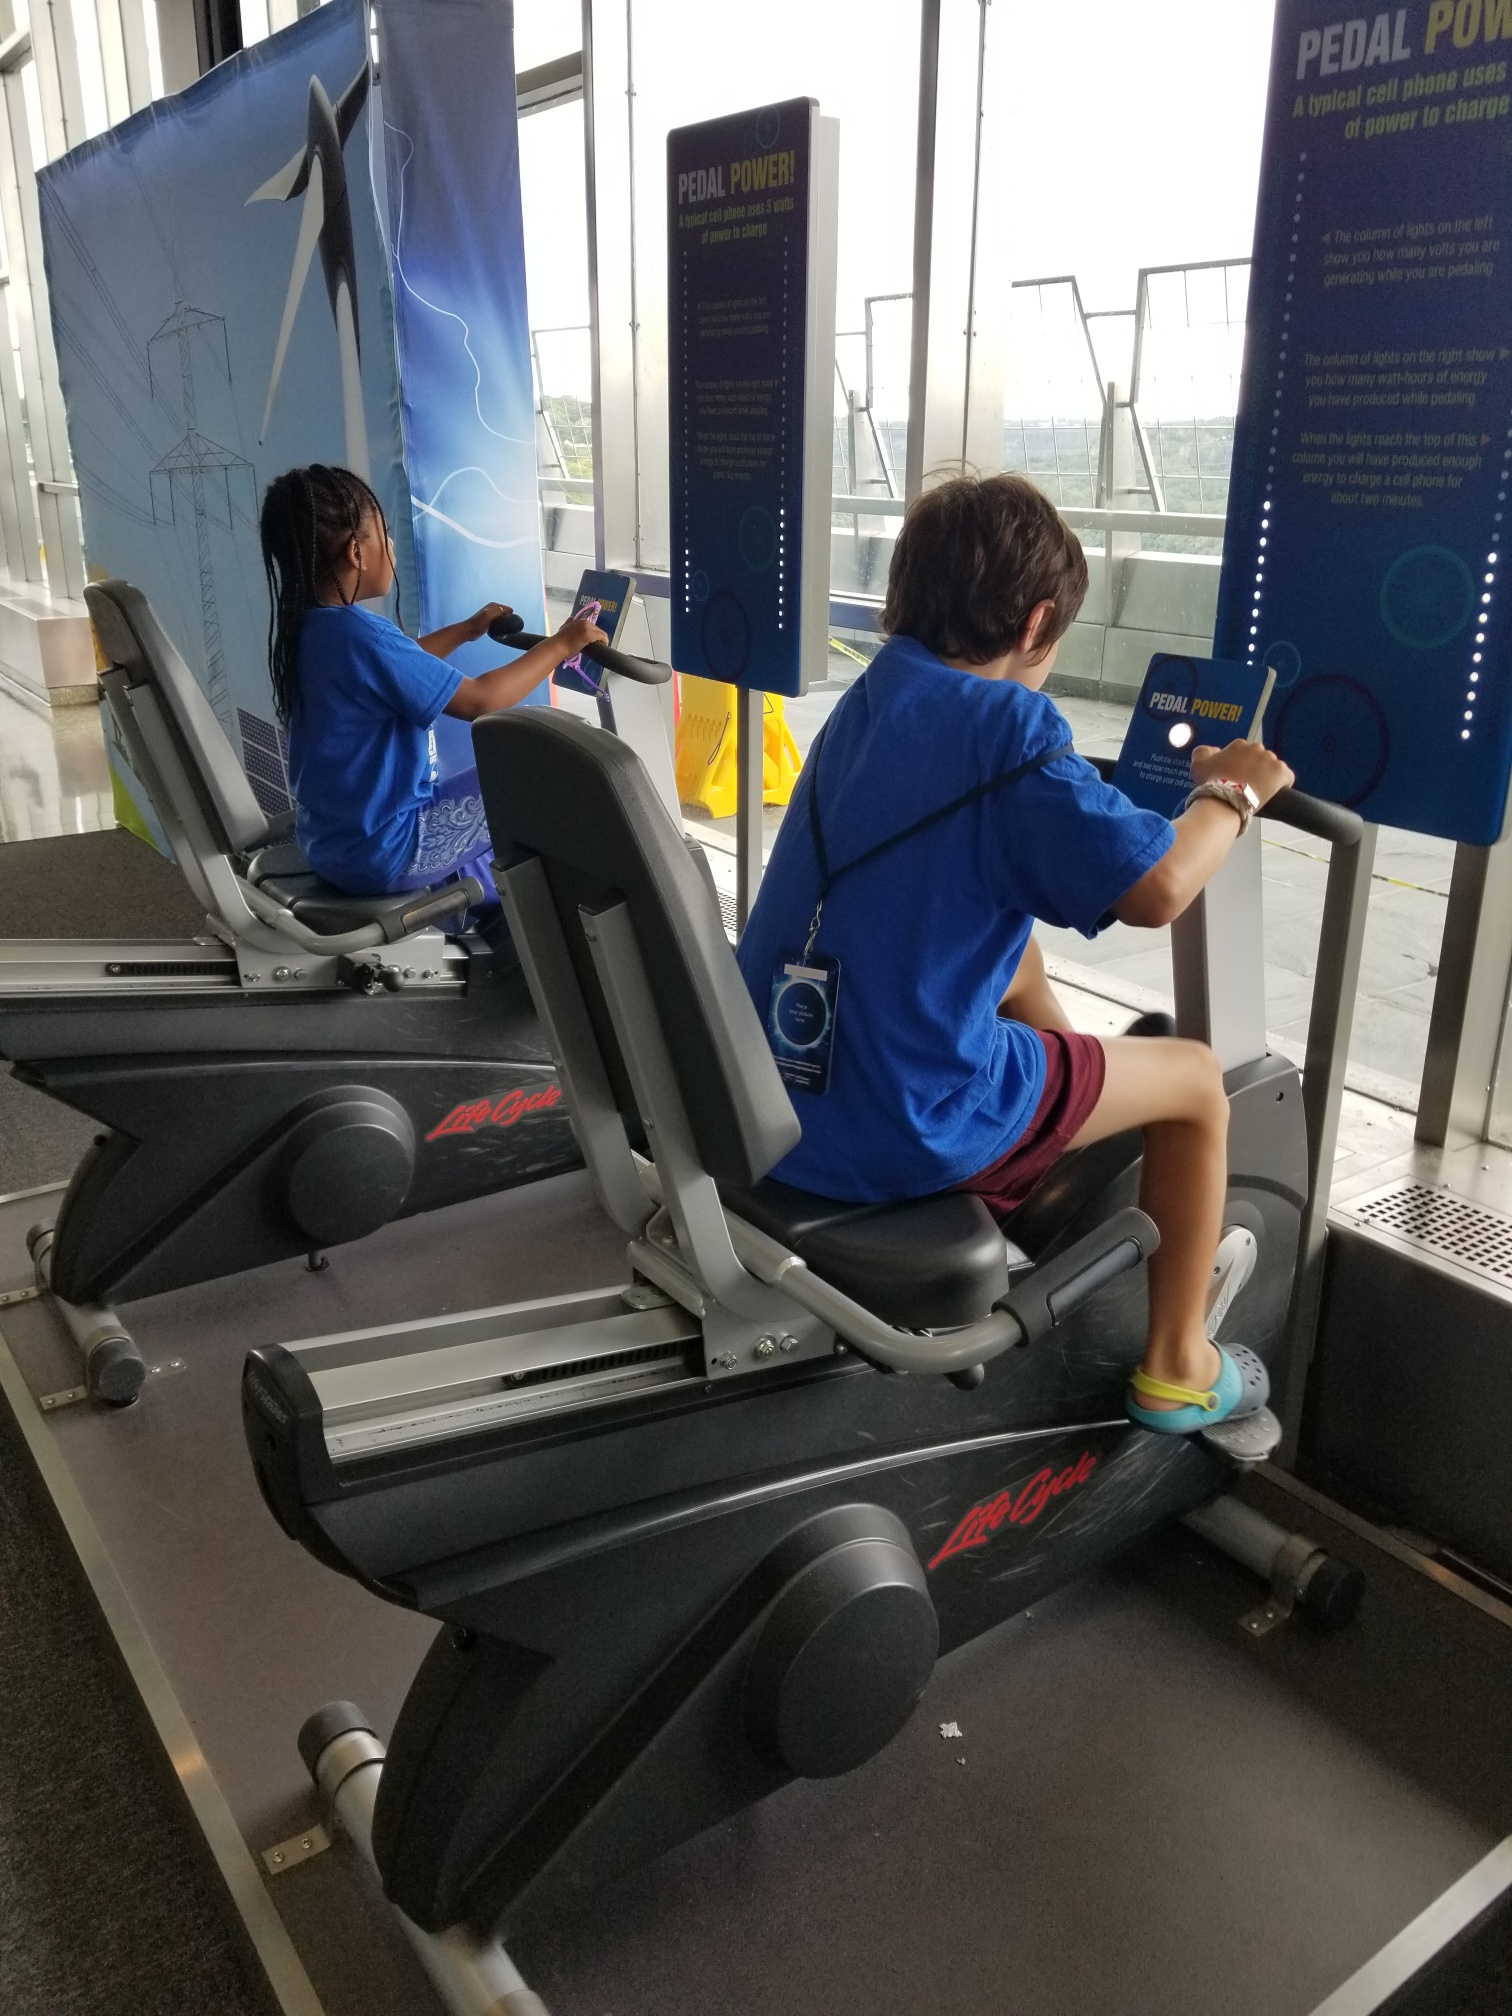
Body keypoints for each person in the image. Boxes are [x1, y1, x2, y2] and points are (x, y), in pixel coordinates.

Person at [736, 473, 1295, 1434]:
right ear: (1037, 622)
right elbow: (1158, 888)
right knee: (1198, 1082)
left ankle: (1049, 1147)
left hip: (776, 1089)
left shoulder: (865, 701)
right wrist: (1232, 793)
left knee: (1017, 953)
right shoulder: (1011, 725)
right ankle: (1179, 1366)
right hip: (900, 1119)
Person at [259, 463, 606, 909]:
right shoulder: (364, 636)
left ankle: (483, 897)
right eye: (385, 535)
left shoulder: (313, 630)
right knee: (548, 769)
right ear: (356, 552)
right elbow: (481, 701)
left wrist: (466, 630)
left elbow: (400, 666)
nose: (391, 546)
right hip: (388, 851)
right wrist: (561, 644)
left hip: (332, 846)